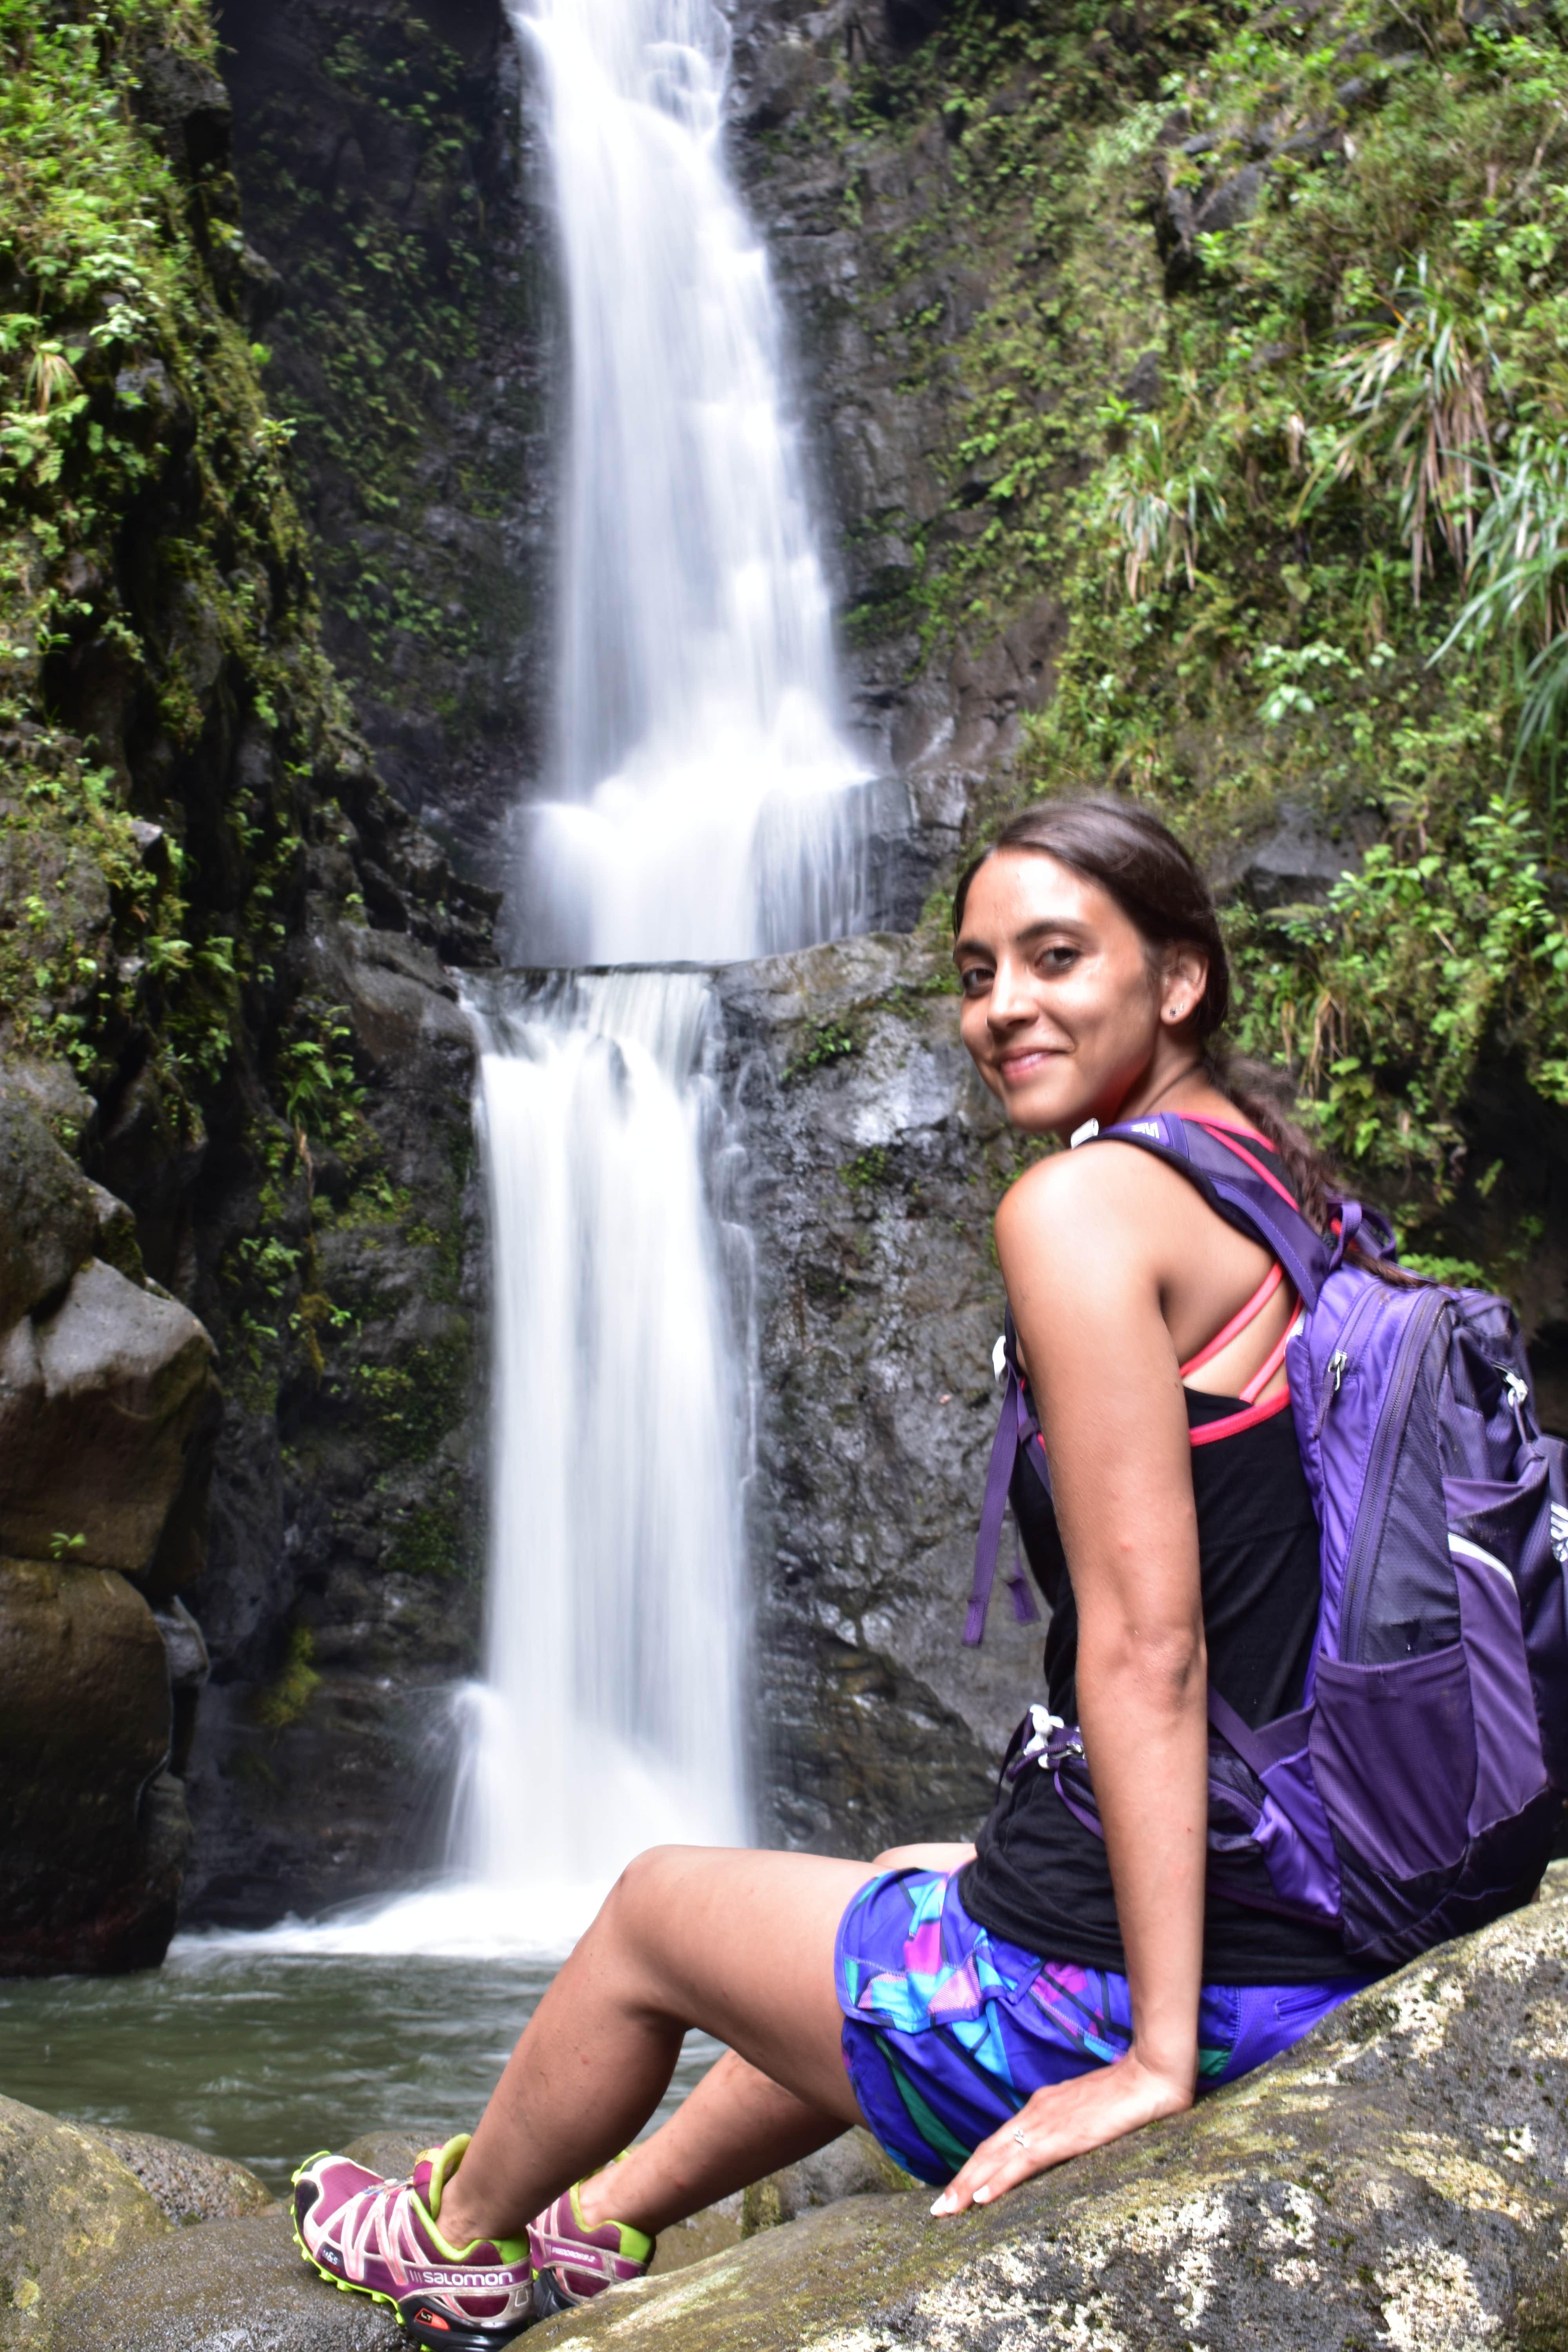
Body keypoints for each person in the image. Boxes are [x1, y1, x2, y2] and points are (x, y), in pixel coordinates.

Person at [294, 797, 1390, 2350]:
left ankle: (450, 2242)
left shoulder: (1085, 1209)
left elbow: (1149, 1654)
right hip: (1338, 1905)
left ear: (1180, 978)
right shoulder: (1293, 1198)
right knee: (894, 1896)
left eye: (1056, 957)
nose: (1001, 1006)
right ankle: (596, 2228)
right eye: (975, 968)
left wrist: (1147, 2066)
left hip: (1192, 1997)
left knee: (656, 1911)